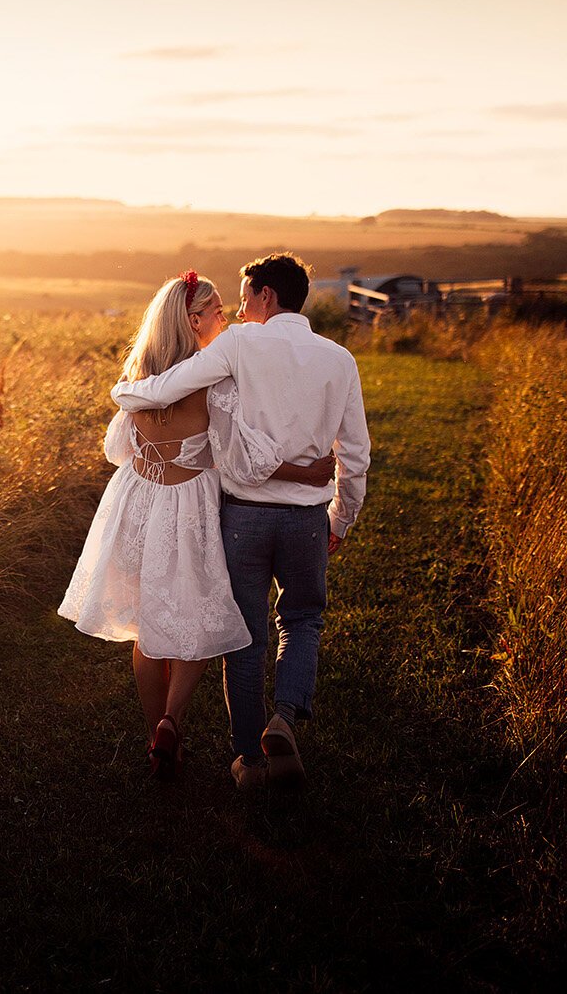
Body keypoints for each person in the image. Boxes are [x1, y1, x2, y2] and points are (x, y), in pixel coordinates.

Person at [59, 271, 334, 780]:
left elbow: (116, 450)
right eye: (215, 311)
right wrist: (305, 471)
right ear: (192, 321)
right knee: (198, 620)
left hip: (138, 504)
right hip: (191, 510)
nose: (226, 316)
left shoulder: (140, 376)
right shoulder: (215, 383)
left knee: (145, 628)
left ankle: (156, 736)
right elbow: (240, 460)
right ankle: (171, 718)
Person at [111, 253, 370, 792]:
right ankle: (285, 720)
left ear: (267, 296)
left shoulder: (238, 346)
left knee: (245, 638)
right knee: (303, 621)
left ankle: (249, 763)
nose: (239, 309)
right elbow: (357, 454)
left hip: (242, 518)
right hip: (305, 519)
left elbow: (166, 395)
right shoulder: (340, 358)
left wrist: (124, 393)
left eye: (245, 296)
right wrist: (339, 517)